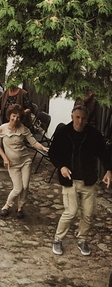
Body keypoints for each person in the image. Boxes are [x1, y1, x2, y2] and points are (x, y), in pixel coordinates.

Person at [50, 105, 112, 257]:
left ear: (87, 119)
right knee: (71, 212)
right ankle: (58, 239)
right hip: (69, 179)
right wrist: (61, 166)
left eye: (83, 118)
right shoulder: (63, 132)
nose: (80, 121)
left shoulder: (94, 134)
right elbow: (53, 153)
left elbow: (104, 154)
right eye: (77, 117)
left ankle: (82, 239)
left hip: (88, 180)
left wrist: (108, 170)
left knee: (88, 214)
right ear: (72, 117)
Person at [0, 104, 48, 219]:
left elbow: (33, 142)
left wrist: (43, 148)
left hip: (25, 161)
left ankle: (20, 207)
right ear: (9, 116)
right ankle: (7, 206)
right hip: (12, 164)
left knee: (25, 186)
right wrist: (5, 158)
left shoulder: (24, 129)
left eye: (18, 117)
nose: (15, 119)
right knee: (18, 188)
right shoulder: (1, 129)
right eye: (13, 116)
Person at [0, 83, 32, 168]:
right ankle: (0, 161)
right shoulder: (6, 92)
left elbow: (29, 108)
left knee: (14, 142)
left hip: (17, 122)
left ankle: (16, 162)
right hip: (6, 121)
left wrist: (20, 114)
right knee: (0, 140)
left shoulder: (23, 93)